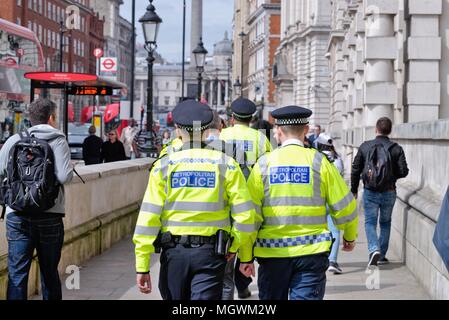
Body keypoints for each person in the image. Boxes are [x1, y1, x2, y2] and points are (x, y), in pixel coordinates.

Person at [133, 100, 257, 300]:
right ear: (208, 131)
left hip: (173, 253)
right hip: (211, 254)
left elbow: (148, 218)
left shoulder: (164, 166)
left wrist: (142, 265)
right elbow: (245, 216)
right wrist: (237, 248)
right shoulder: (227, 165)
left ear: (177, 130)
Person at [243, 105, 358, 300]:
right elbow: (345, 205)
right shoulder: (319, 162)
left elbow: (249, 216)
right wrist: (349, 235)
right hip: (311, 253)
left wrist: (245, 256)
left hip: (272, 255)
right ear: (306, 130)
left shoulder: (263, 164)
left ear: (278, 131)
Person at [0, 98, 73, 300]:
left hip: (18, 215)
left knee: (17, 274)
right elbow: (64, 177)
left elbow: (0, 171)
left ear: (30, 119)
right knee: (49, 273)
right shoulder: (58, 140)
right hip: (50, 215)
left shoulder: (14, 140)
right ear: (51, 117)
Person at [219, 97, 272, 299]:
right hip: (251, 199)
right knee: (247, 243)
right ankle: (243, 284)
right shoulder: (261, 139)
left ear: (232, 117)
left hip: (227, 199)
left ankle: (229, 287)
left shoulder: (222, 136)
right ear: (252, 118)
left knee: (229, 244)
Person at [351, 117, 409, 267]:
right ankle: (381, 255)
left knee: (370, 222)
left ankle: (373, 249)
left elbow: (355, 169)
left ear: (376, 129)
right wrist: (390, 175)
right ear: (390, 130)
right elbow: (404, 172)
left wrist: (353, 189)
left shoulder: (365, 146)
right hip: (389, 191)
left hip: (370, 191)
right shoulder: (396, 148)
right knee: (385, 223)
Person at [315, 133, 345, 274]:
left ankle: (320, 256)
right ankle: (332, 260)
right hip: (334, 199)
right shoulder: (338, 159)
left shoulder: (315, 158)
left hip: (318, 199)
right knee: (334, 230)